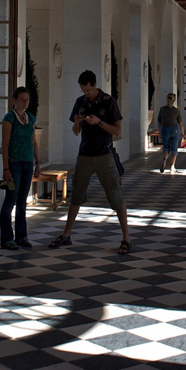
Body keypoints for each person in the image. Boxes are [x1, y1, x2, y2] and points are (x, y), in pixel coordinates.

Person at [50, 70, 132, 254]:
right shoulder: (80, 103)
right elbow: (75, 131)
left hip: (104, 153)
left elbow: (117, 131)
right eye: (83, 90)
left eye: (88, 89)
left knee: (115, 194)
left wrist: (99, 122)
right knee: (77, 194)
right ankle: (66, 235)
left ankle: (126, 238)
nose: (86, 93)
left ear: (95, 85)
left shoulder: (108, 101)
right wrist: (78, 122)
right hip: (85, 154)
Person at [0, 86, 38, 250]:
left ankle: (22, 236)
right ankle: (7, 237)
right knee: (11, 200)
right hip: (14, 164)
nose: (25, 102)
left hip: (28, 163)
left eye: (27, 99)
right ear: (14, 100)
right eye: (21, 99)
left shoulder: (30, 118)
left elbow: (34, 142)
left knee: (22, 201)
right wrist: (6, 168)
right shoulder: (9, 118)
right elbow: (5, 144)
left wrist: (38, 162)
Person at [156, 92, 184, 174]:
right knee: (174, 148)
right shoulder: (176, 111)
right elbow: (180, 123)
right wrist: (183, 133)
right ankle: (172, 166)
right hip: (174, 129)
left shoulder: (162, 109)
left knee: (166, 147)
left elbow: (159, 121)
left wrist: (159, 131)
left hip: (164, 129)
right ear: (174, 100)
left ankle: (164, 160)